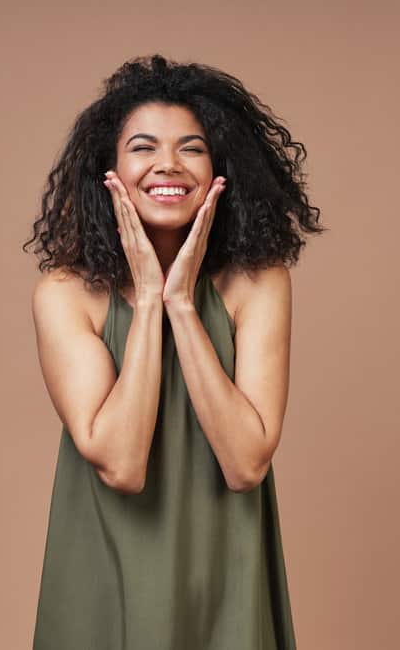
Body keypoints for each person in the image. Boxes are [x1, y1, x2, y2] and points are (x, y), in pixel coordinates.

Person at [24, 54, 326, 649]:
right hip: (103, 579)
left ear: (221, 169)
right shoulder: (64, 295)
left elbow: (246, 464)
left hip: (223, 578)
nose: (168, 164)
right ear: (107, 170)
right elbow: (122, 463)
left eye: (192, 147)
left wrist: (183, 305)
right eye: (142, 147)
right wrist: (145, 302)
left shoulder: (257, 283)